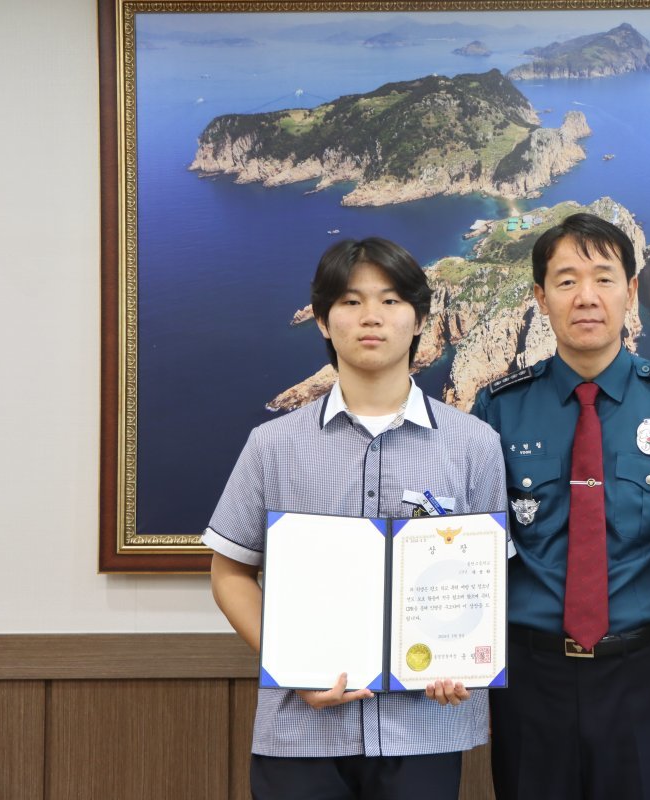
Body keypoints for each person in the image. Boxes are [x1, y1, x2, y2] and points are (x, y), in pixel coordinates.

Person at [203, 237, 507, 800]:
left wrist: (465, 656)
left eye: (391, 301)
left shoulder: (474, 444)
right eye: (350, 301)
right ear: (322, 320)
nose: (371, 317)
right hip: (299, 731)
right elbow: (230, 574)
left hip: (425, 730)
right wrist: (293, 665)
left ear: (420, 320)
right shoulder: (272, 445)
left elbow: (490, 579)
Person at [471, 212, 650, 800]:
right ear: (540, 297)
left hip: (646, 672)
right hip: (529, 675)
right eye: (566, 280)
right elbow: (474, 547)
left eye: (604, 278)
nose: (586, 297)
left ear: (631, 292)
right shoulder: (499, 409)